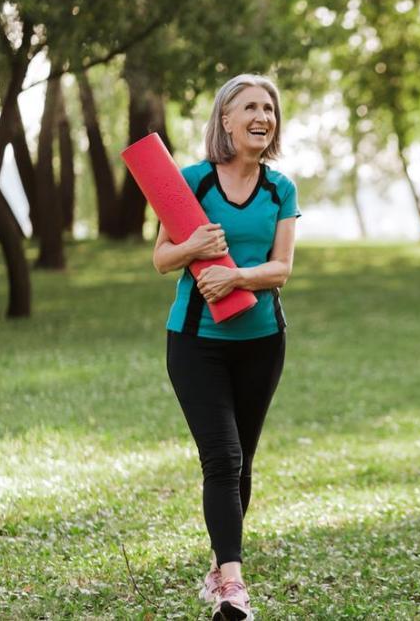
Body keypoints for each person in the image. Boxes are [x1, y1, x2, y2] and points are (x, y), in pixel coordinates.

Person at [153, 73, 300, 621]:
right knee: (223, 457)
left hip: (262, 341)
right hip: (196, 342)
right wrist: (192, 244)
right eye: (251, 107)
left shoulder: (280, 189)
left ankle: (220, 567)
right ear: (226, 120)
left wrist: (237, 277)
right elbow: (161, 259)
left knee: (243, 463)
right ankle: (234, 588)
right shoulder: (191, 181)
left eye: (270, 108)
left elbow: (282, 269)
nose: (263, 117)